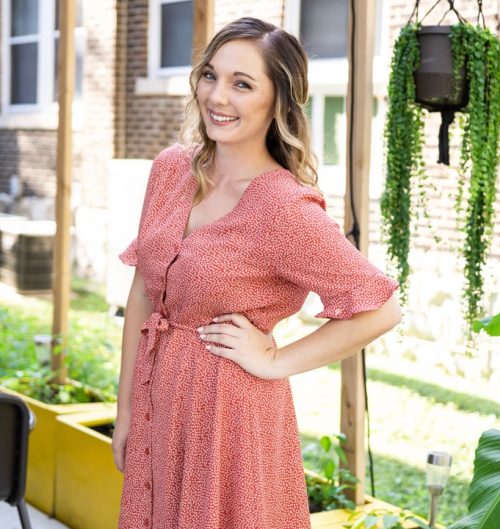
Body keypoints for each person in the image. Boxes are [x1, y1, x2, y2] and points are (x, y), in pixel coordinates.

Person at [112, 17, 401, 528]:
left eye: (242, 84)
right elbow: (143, 293)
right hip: (159, 400)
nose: (217, 97)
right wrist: (128, 410)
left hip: (230, 417)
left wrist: (275, 361)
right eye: (211, 75)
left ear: (278, 101)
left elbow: (380, 308)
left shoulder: (281, 207)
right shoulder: (171, 170)